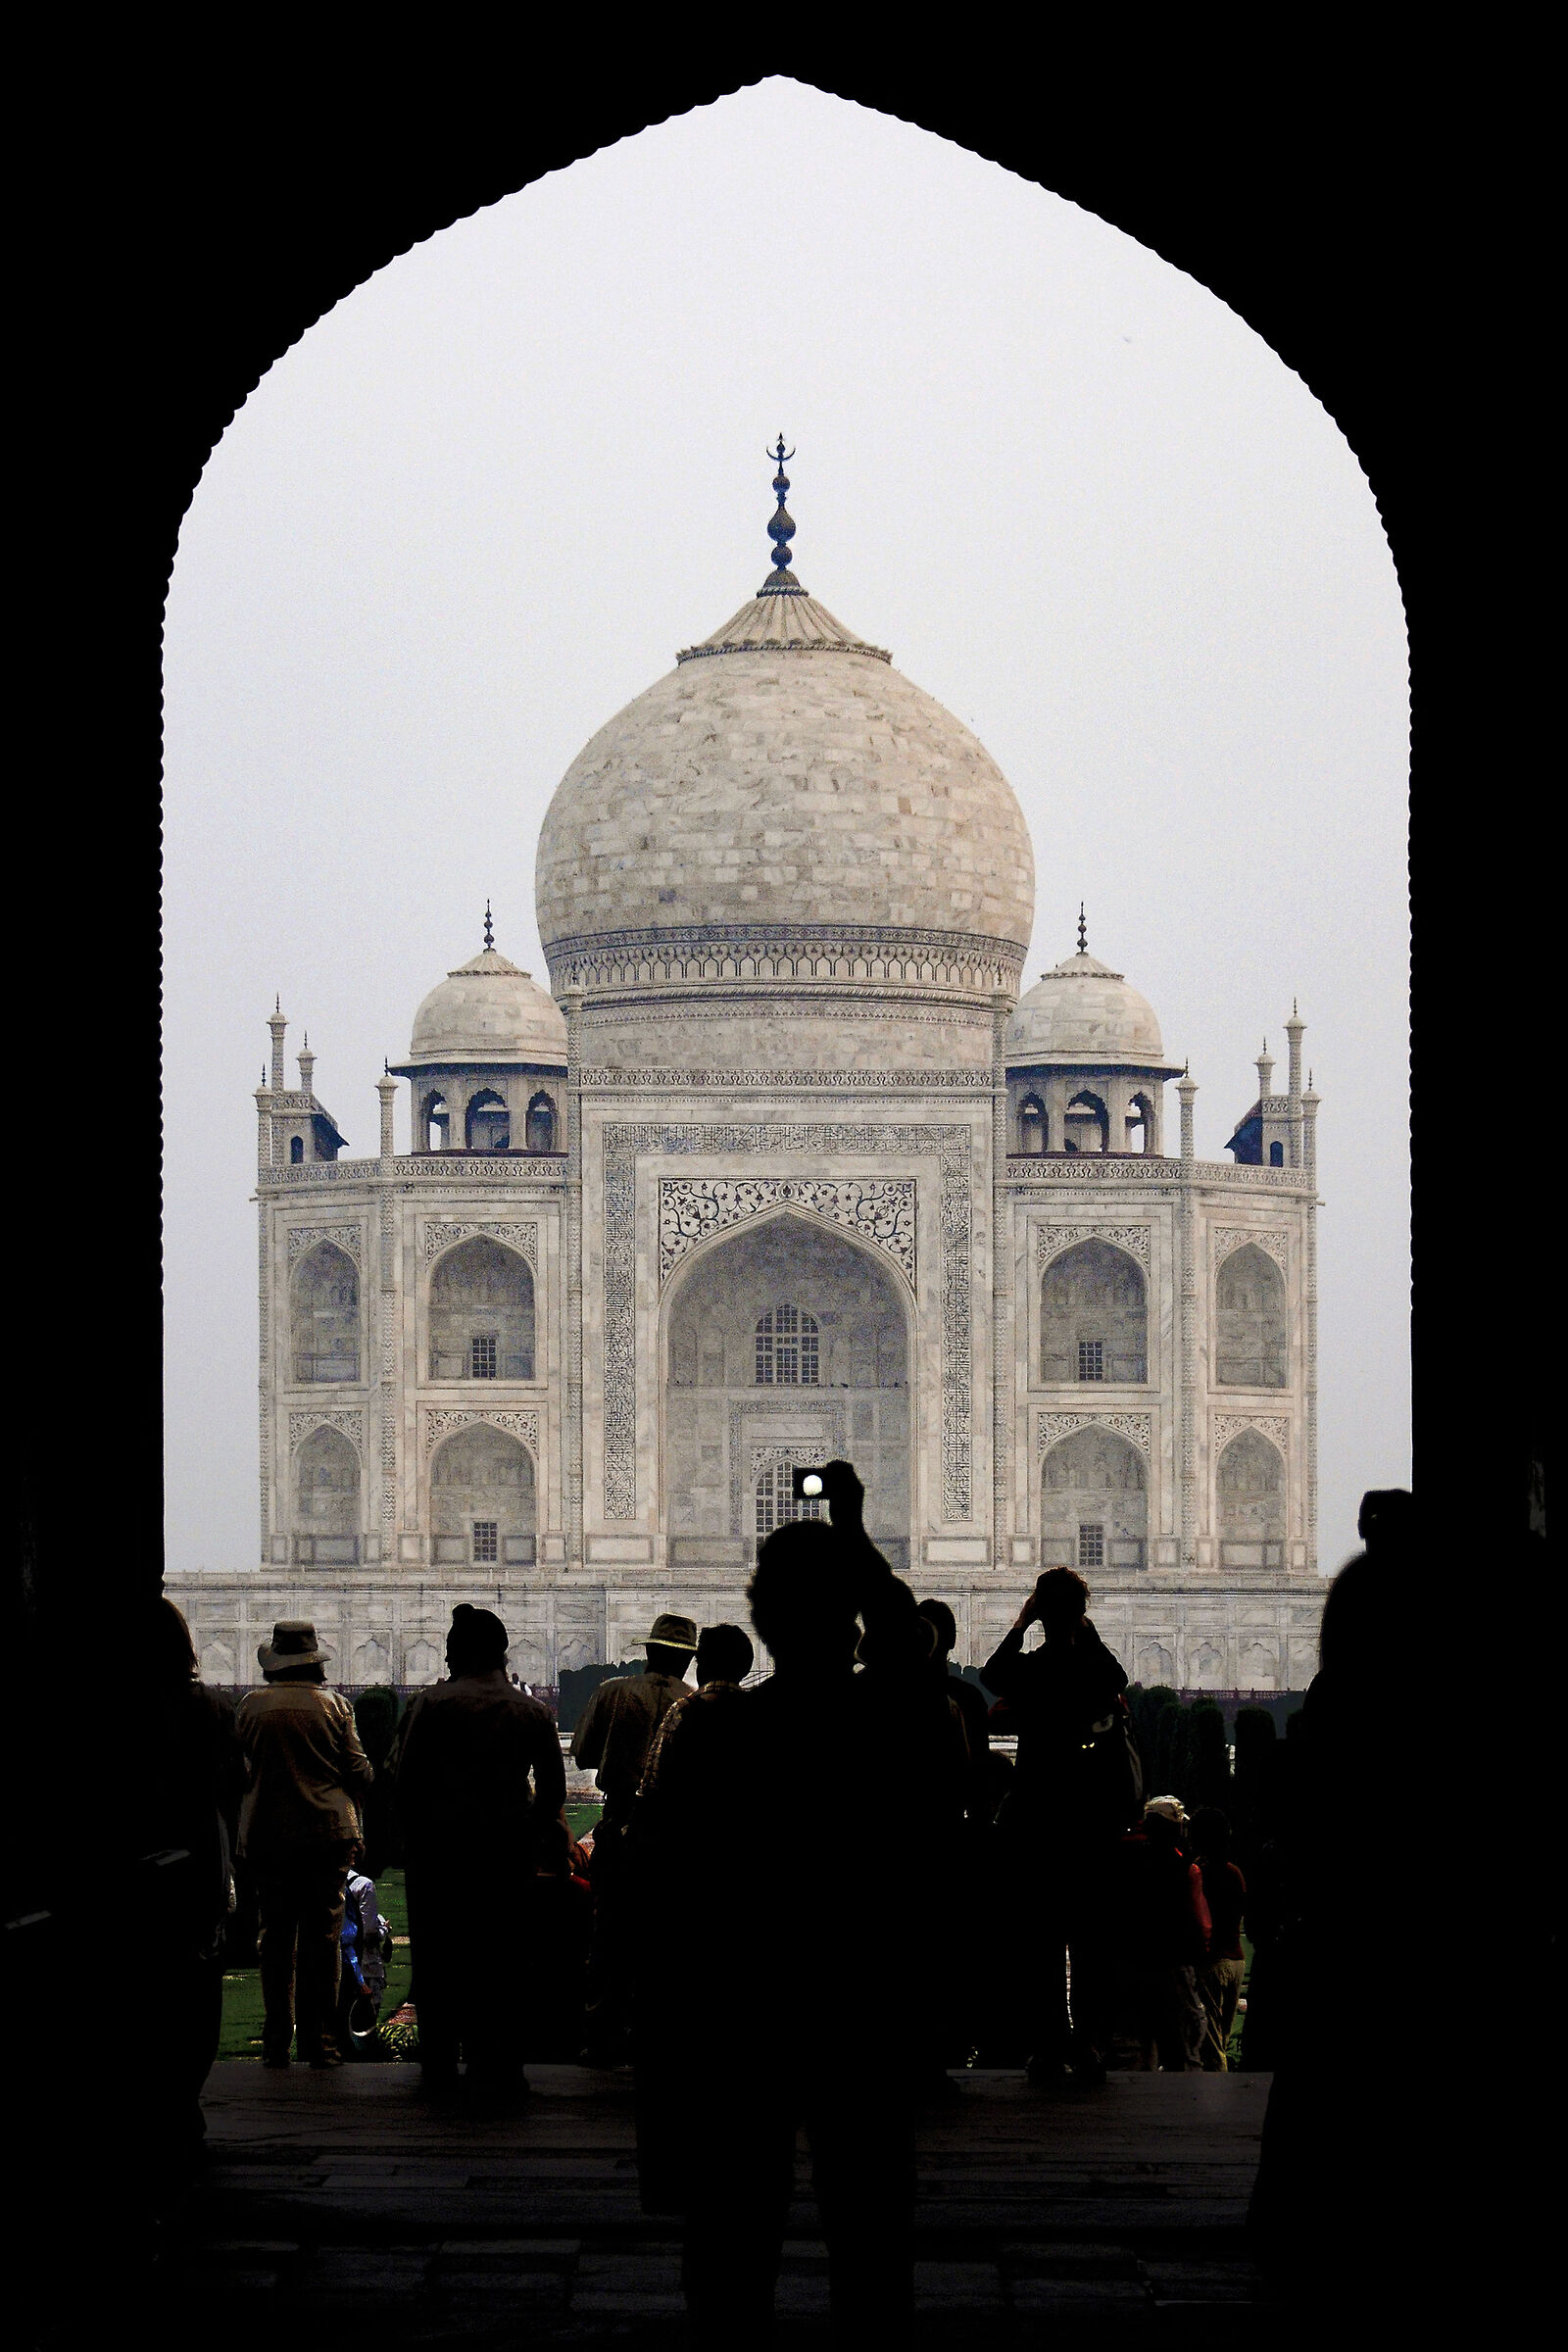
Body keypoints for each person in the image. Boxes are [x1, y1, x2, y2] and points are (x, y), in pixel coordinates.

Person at [633, 1462, 966, 2346]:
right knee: (869, 2210)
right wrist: (854, 1539)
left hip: (745, 1999)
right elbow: (910, 1658)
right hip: (864, 1992)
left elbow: (664, 1884)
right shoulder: (893, 1723)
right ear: (852, 1623)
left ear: (760, 1622)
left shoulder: (715, 1729)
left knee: (735, 2214)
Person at [395, 1604, 565, 2098]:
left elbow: (405, 1784)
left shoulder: (430, 1704)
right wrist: (527, 1833)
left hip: (441, 1857)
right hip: (506, 1856)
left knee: (439, 1960)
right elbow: (552, 1792)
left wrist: (420, 1839)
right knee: (504, 1961)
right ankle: (503, 2064)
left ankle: (439, 2066)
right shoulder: (531, 1711)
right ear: (501, 1653)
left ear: (458, 1652)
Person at [982, 1567, 1141, 2086]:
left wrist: (1023, 1623)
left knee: (1043, 1941)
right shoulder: (1091, 1670)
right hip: (1089, 1821)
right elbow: (1116, 1677)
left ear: (1039, 1611)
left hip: (1040, 1818)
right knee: (1091, 1940)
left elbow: (992, 1674)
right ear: (1081, 1613)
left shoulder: (1033, 1671)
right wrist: (1081, 1630)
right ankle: (1090, 2043)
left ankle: (1050, 2045)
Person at [121, 1596, 246, 2164]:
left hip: (128, 1852)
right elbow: (233, 1783)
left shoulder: (111, 1709)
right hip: (195, 1852)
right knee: (196, 1979)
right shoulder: (212, 1709)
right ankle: (182, 2102)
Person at [236, 1619, 373, 2069]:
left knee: (275, 1938)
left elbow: (238, 1771)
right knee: (323, 1940)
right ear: (315, 1663)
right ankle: (321, 2044)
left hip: (268, 1835)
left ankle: (276, 2042)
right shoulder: (333, 1706)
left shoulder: (250, 1707)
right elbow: (360, 1772)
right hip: (326, 1835)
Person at [570, 1611, 698, 2061]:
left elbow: (583, 1753)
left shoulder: (614, 1692)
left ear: (649, 1652)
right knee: (669, 1937)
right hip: (677, 1835)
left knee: (611, 1932)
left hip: (621, 1824)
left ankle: (602, 2037)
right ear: (688, 1660)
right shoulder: (693, 1701)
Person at [1112, 1795, 1211, 2070]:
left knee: (1139, 2049)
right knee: (1183, 2048)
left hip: (1134, 1964)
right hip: (1174, 1966)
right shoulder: (1185, 1868)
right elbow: (1201, 1923)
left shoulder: (1127, 1863)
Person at [1190, 1807, 1247, 2070]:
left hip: (1212, 1963)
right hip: (1236, 1960)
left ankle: (1218, 2089)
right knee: (1221, 2038)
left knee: (1211, 2045)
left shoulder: (1199, 1873)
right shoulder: (1234, 1872)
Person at [335, 1839, 391, 2056]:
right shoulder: (364, 1885)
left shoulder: (331, 1883)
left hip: (340, 1964)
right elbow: (367, 1932)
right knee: (364, 2031)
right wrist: (384, 1930)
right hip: (366, 1965)